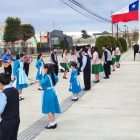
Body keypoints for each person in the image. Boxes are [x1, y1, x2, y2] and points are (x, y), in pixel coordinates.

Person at [0, 73, 20, 140]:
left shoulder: (4, 94)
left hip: (7, 122)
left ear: (0, 83)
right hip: (16, 120)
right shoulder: (15, 90)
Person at [41, 63, 61, 129]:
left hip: (48, 93)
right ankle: (54, 122)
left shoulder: (46, 76)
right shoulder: (52, 74)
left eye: (43, 68)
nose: (42, 69)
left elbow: (42, 83)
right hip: (53, 91)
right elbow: (57, 79)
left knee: (49, 109)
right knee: (52, 108)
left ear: (46, 69)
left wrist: (44, 88)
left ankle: (51, 123)